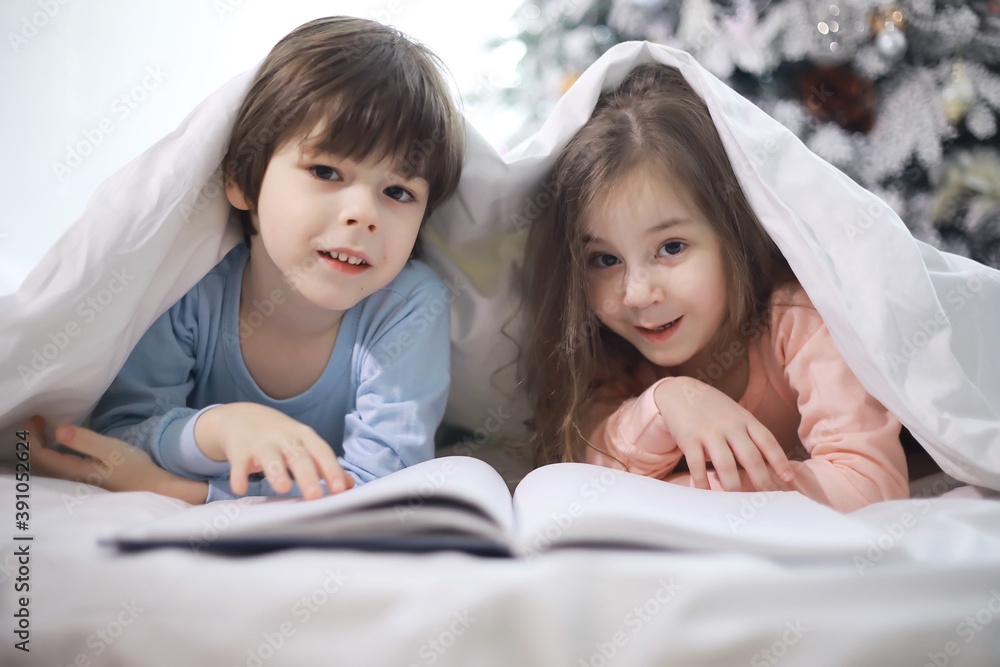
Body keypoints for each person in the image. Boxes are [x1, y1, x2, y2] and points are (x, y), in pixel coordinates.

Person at [30, 16, 465, 504]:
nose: (364, 214)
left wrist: (177, 491)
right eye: (326, 170)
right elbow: (122, 433)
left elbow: (381, 488)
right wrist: (217, 429)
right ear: (242, 181)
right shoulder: (193, 285)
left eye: (398, 191)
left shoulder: (407, 305)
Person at [521, 63, 908, 512]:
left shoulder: (799, 319)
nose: (637, 293)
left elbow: (869, 486)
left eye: (671, 247)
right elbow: (588, 462)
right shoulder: (612, 354)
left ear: (733, 234)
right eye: (605, 260)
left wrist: (686, 495)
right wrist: (669, 403)